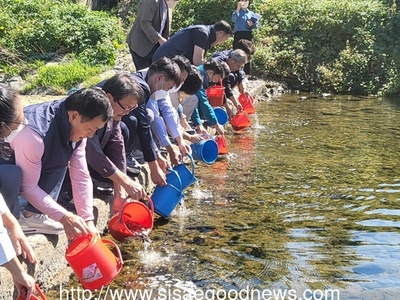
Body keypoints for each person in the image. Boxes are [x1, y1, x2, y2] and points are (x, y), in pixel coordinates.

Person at [10, 88, 113, 240]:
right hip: (7, 170)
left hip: (28, 166)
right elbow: (27, 186)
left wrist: (88, 220)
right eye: (90, 129)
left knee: (62, 157)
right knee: (57, 159)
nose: (91, 135)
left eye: (95, 130)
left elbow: (81, 175)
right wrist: (65, 217)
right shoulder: (34, 135)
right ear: (74, 116)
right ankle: (27, 216)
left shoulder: (75, 123)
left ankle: (33, 212)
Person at [81, 74, 147, 215]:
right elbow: (91, 152)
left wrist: (120, 190)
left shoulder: (114, 111)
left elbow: (117, 145)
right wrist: (125, 180)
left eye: (132, 108)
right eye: (125, 107)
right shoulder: (90, 107)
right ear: (109, 97)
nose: (127, 112)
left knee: (122, 130)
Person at [120, 57, 181, 185]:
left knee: (148, 115)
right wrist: (153, 167)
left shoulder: (145, 80)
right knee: (134, 120)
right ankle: (124, 156)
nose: (166, 93)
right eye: (168, 88)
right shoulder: (139, 87)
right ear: (159, 78)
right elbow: (143, 127)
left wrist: (157, 155)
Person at [126, 0, 180, 70]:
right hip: (141, 46)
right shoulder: (152, 2)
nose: (176, 3)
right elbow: (145, 23)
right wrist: (159, 39)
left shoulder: (168, 6)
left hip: (156, 46)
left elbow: (164, 28)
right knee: (144, 75)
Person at [181, 59, 229, 136]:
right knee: (194, 99)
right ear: (210, 73)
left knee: (194, 99)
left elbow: (195, 105)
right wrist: (216, 124)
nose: (218, 81)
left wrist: (198, 124)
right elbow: (204, 102)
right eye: (218, 78)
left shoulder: (201, 71)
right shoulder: (199, 76)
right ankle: (179, 126)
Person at [152, 20, 232, 66]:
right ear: (220, 33)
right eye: (224, 40)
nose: (221, 43)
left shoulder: (206, 33)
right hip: (164, 60)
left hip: (171, 60)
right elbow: (197, 61)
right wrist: (213, 67)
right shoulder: (203, 33)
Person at [212, 49, 249, 118]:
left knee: (233, 76)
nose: (237, 68)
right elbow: (221, 87)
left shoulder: (229, 62)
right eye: (237, 66)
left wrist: (236, 102)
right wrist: (227, 108)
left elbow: (227, 84)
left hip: (218, 83)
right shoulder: (219, 64)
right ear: (232, 59)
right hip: (208, 87)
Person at [232, 0, 259, 75]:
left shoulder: (251, 13)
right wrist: (238, 8)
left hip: (248, 34)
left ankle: (246, 73)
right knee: (237, 52)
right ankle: (235, 71)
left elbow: (256, 26)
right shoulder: (236, 12)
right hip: (238, 34)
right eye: (242, 1)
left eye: (246, 1)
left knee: (248, 52)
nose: (244, 3)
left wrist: (252, 24)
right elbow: (233, 19)